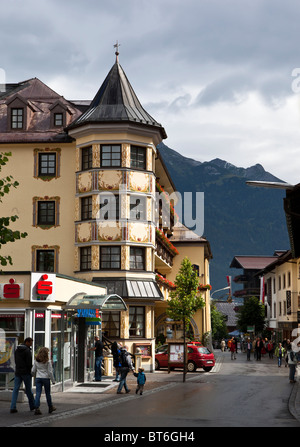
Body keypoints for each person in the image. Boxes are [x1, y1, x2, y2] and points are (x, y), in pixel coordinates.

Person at [10, 337, 35, 413]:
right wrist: (30, 371)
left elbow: (16, 360)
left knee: (15, 389)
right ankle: (32, 406)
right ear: (27, 342)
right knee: (28, 390)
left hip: (18, 372)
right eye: (30, 342)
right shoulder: (27, 351)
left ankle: (12, 407)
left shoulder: (17, 350)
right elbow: (29, 363)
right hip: (26, 373)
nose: (31, 344)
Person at [31, 347, 56, 415]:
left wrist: (32, 375)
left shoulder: (36, 361)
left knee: (38, 393)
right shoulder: (48, 362)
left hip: (38, 378)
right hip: (46, 378)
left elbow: (33, 370)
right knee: (47, 393)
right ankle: (50, 407)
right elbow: (50, 372)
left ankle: (37, 408)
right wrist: (53, 380)